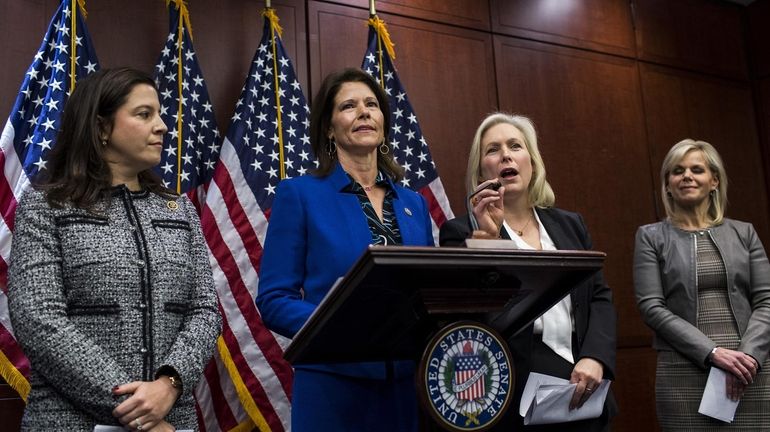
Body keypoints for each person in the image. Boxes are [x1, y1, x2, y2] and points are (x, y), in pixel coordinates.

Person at [8, 67, 221, 431]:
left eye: (160, 114)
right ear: (102, 128)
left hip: (173, 415)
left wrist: (170, 383)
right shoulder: (46, 206)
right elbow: (39, 321)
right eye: (144, 114)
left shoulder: (180, 209)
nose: (162, 126)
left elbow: (205, 310)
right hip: (71, 421)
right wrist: (138, 409)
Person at [256, 67, 434, 431]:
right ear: (328, 127)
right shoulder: (300, 195)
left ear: (383, 121)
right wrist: (339, 326)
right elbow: (274, 298)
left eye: (372, 104)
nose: (364, 112)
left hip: (408, 388)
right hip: (332, 386)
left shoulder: (414, 202)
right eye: (349, 106)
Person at [439, 112, 617, 431]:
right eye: (492, 149)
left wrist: (596, 358)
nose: (506, 154)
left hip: (585, 384)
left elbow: (599, 296)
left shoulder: (570, 225)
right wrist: (488, 241)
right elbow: (470, 318)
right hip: (514, 394)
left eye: (515, 146)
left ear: (531, 163)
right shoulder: (460, 233)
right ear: (481, 170)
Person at [633, 139, 770, 430]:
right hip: (685, 371)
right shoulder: (650, 237)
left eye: (697, 169)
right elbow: (650, 307)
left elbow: (766, 301)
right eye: (677, 170)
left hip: (749, 370)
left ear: (714, 181)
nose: (687, 176)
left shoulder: (744, 233)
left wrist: (748, 356)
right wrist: (712, 352)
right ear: (668, 184)